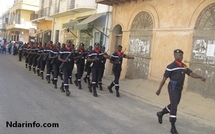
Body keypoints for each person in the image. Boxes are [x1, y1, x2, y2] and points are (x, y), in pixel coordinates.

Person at [155, 49, 206, 134]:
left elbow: (191, 73)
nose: (180, 57)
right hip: (173, 87)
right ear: (174, 56)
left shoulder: (184, 66)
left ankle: (161, 113)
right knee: (174, 106)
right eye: (178, 55)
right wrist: (159, 89)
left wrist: (200, 77)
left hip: (179, 88)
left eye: (181, 55)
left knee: (174, 104)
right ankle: (173, 127)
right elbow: (164, 79)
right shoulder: (170, 66)